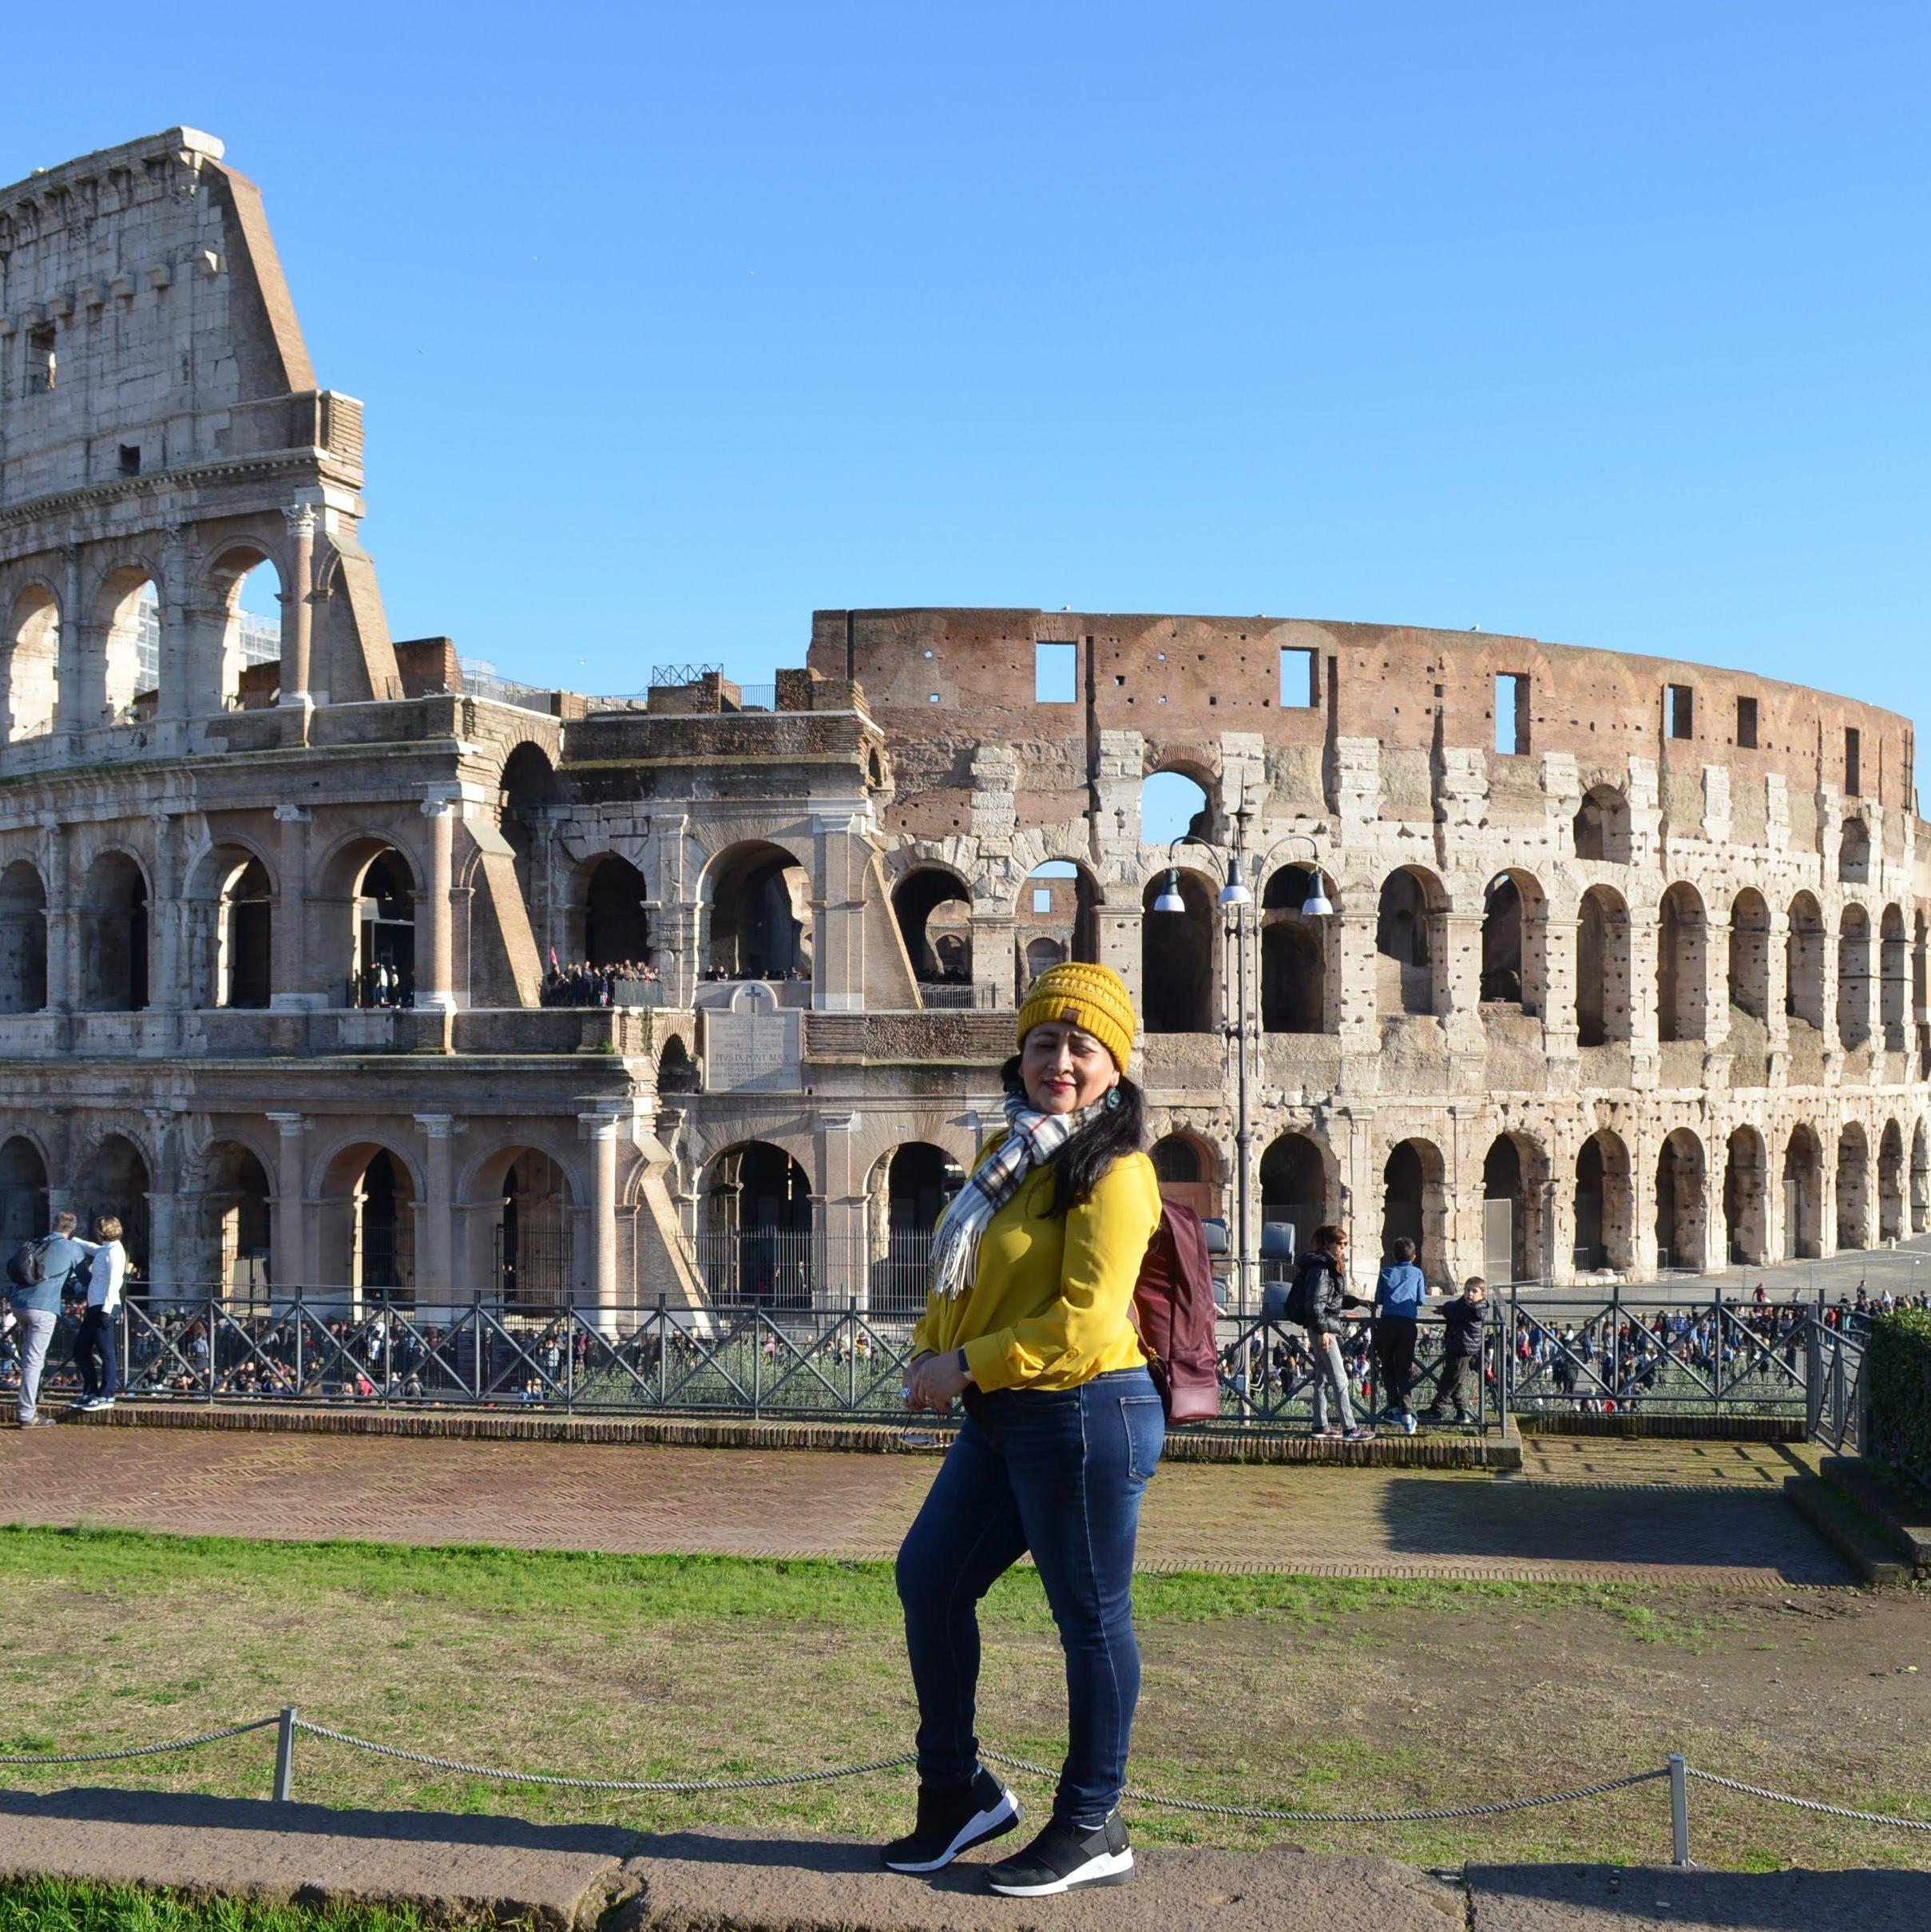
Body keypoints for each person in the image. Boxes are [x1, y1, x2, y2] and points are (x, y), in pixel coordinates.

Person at [887, 962, 1161, 1896]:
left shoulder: (1116, 1171)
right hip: (1008, 1415)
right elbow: (975, 1279)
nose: (1061, 1060)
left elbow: (1084, 1322)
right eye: (1045, 1040)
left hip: (1088, 1410)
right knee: (930, 1576)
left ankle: (1094, 1820)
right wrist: (936, 1352)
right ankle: (957, 1791)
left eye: (1083, 1045)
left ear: (1113, 1067)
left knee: (1089, 1620)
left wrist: (961, 1365)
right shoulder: (1017, 1159)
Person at [1288, 1224, 1373, 1440]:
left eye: (1345, 1244)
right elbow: (1316, 1303)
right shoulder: (1322, 1268)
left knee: (1322, 1378)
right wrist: (1323, 1331)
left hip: (1320, 1327)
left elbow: (1331, 1300)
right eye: (1340, 1244)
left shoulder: (1325, 1265)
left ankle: (1320, 1426)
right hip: (1322, 1330)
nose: (1343, 1248)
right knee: (1340, 1379)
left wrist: (1356, 1301)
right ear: (1327, 1243)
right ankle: (1350, 1429)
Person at [10, 1212, 92, 1426]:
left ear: (53, 1225)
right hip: (44, 1307)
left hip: (18, 1303)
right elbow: (86, 1279)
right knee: (34, 1360)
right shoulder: (73, 1248)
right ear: (72, 1229)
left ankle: (30, 1401)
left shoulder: (38, 1242)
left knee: (29, 1357)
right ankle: (27, 1414)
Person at [1372, 1236, 1429, 1434]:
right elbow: (1421, 1300)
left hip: (1387, 1323)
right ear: (1414, 1257)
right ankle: (1408, 1414)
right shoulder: (1417, 1273)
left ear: (1393, 1256)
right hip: (1407, 1324)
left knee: (1387, 1366)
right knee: (1403, 1369)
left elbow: (1378, 1298)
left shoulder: (1386, 1272)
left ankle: (1394, 1408)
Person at [73, 1215, 125, 1411]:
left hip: (105, 1306)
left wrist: (107, 1309)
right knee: (80, 1349)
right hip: (95, 1305)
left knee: (106, 1351)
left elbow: (115, 1282)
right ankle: (90, 1391)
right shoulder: (107, 1249)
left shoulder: (116, 1252)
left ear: (103, 1230)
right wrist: (74, 1240)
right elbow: (93, 1248)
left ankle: (107, 1395)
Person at [1421, 1277, 1489, 1425]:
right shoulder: (1467, 1305)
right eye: (1467, 1290)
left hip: (1463, 1348)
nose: (1469, 1294)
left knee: (1448, 1382)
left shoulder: (1475, 1309)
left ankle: (1435, 1410)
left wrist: (1444, 1308)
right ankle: (1462, 1412)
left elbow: (1452, 1309)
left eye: (1474, 1291)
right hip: (1458, 1346)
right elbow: (1455, 1306)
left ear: (1482, 1295)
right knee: (1456, 1381)